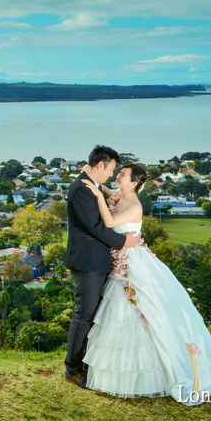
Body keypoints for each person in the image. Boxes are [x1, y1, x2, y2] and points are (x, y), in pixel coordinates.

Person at [80, 163, 211, 405]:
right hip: (123, 259)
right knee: (120, 310)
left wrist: (96, 194)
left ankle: (148, 376)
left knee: (139, 310)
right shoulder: (119, 194)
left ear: (135, 183)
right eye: (118, 173)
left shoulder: (136, 206)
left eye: (123, 175)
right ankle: (116, 374)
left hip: (133, 263)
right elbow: (110, 192)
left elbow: (108, 223)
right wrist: (96, 181)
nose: (118, 177)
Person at [64, 145, 143, 387]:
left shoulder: (94, 185)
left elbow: (109, 197)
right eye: (111, 169)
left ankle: (88, 363)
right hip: (87, 261)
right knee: (84, 315)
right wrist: (123, 241)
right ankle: (73, 369)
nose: (112, 174)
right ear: (101, 165)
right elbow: (94, 227)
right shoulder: (81, 190)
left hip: (99, 262)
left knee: (95, 315)